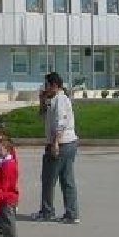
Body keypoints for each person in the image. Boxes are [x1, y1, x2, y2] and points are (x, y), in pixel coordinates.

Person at [32, 71, 80, 224]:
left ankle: (47, 211)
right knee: (67, 179)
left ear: (54, 85)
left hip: (61, 143)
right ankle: (71, 213)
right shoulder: (54, 100)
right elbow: (42, 116)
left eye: (46, 85)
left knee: (48, 179)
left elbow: (61, 122)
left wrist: (55, 143)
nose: (44, 88)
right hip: (68, 142)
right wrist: (42, 100)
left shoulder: (60, 100)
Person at [0, 138, 19, 237]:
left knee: (8, 222)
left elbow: (5, 184)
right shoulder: (5, 162)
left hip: (7, 197)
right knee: (4, 221)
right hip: (6, 196)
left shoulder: (8, 165)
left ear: (8, 150)